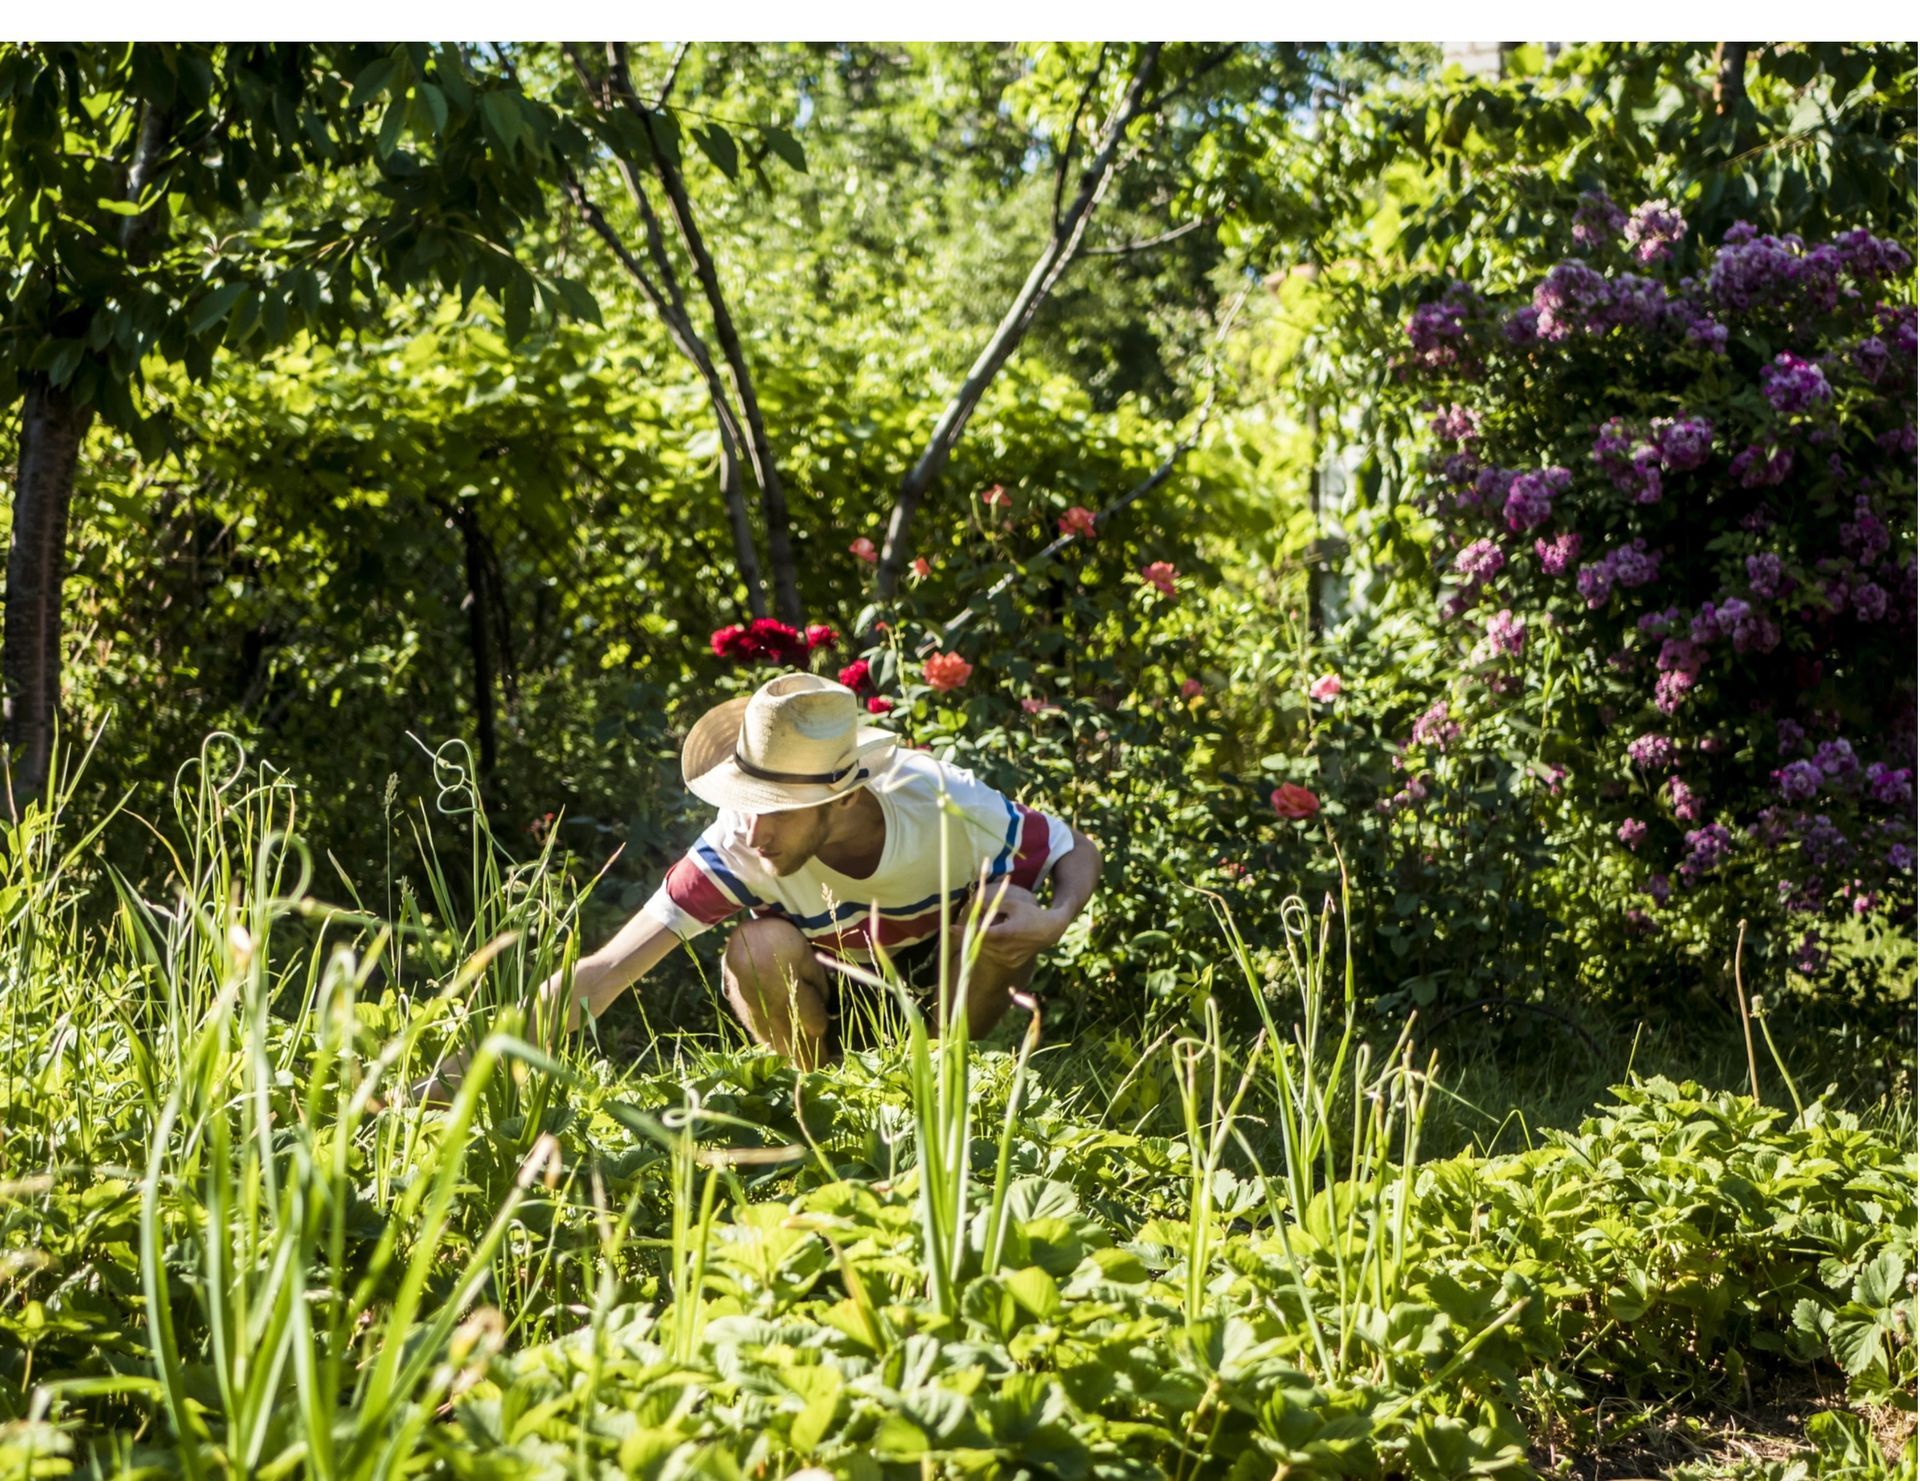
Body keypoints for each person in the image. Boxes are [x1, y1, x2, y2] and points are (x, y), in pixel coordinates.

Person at [444, 671, 1100, 1081]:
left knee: (1002, 900)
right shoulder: (740, 838)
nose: (756, 834)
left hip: (948, 992)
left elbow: (1078, 849)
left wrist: (1055, 918)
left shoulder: (939, 802)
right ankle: (814, 1100)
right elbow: (607, 968)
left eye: (779, 812)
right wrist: (462, 1071)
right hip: (829, 998)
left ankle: (948, 1083)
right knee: (755, 946)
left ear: (845, 797)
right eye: (748, 806)